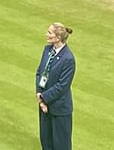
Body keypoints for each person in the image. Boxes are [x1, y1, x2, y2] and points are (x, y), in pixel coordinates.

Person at [35, 22, 76, 150]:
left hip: (59, 109)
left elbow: (62, 86)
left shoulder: (68, 59)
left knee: (61, 145)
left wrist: (44, 98)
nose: (46, 34)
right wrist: (40, 97)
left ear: (58, 38)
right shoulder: (47, 50)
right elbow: (39, 73)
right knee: (46, 142)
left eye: (50, 32)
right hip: (44, 106)